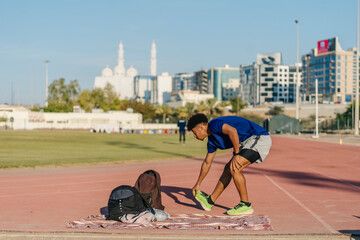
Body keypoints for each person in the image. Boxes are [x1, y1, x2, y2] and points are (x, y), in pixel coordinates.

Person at [187, 113, 271, 215]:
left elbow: (233, 131)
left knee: (234, 167)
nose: (195, 136)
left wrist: (236, 153)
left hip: (258, 137)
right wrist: (198, 183)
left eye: (194, 132)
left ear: (201, 128)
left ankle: (245, 204)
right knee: (228, 169)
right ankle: (210, 201)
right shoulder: (212, 142)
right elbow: (207, 163)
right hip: (247, 143)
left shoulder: (214, 124)